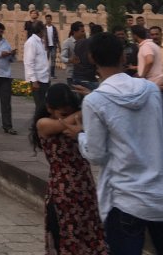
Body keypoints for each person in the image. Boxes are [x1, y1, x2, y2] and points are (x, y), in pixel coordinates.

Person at [77, 32, 163, 254]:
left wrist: (80, 136)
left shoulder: (95, 101)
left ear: (92, 58)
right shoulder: (151, 91)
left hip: (126, 197)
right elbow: (159, 132)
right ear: (124, 57)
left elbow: (96, 154)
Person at [29, 83, 108, 255]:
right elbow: (61, 125)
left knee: (90, 234)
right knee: (66, 236)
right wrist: (91, 102)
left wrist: (92, 101)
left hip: (85, 186)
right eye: (63, 113)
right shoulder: (43, 124)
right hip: (63, 190)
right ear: (50, 108)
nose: (69, 116)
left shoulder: (78, 121)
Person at [24, 20, 51, 114]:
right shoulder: (31, 42)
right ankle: (36, 126)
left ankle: (37, 125)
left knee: (44, 105)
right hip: (38, 79)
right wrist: (34, 80)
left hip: (44, 77)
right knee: (40, 106)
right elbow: (28, 63)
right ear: (41, 30)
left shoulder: (40, 42)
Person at [72, 23, 102, 92]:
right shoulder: (94, 44)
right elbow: (92, 60)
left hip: (77, 77)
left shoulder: (79, 42)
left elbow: (75, 58)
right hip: (89, 79)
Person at [60, 21, 85, 86]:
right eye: (82, 31)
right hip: (72, 74)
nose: (83, 33)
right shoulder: (67, 43)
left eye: (83, 31)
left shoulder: (85, 42)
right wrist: (70, 60)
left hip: (83, 74)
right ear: (74, 32)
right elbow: (62, 58)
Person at [44, 14, 59, 79]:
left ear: (51, 19)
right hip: (46, 46)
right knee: (45, 60)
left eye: (49, 19)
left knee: (53, 60)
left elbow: (56, 37)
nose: (48, 20)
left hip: (53, 46)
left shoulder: (54, 28)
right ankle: (45, 73)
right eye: (47, 19)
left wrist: (59, 45)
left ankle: (52, 74)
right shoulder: (43, 28)